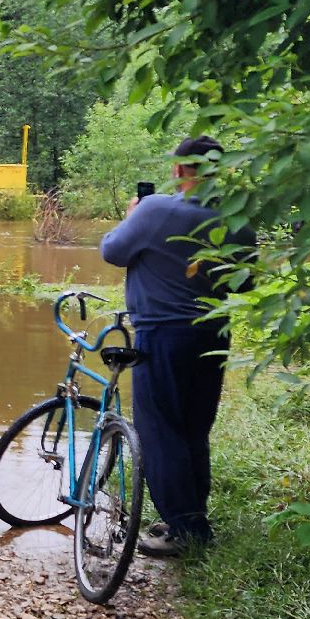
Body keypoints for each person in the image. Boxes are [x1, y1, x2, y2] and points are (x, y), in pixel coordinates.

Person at [99, 135, 254, 558]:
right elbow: (246, 281)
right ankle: (190, 518)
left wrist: (130, 216)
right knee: (192, 429)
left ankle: (185, 531)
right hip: (214, 332)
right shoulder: (238, 218)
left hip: (162, 334)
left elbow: (112, 251)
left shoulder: (154, 209)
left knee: (161, 431)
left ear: (180, 169)